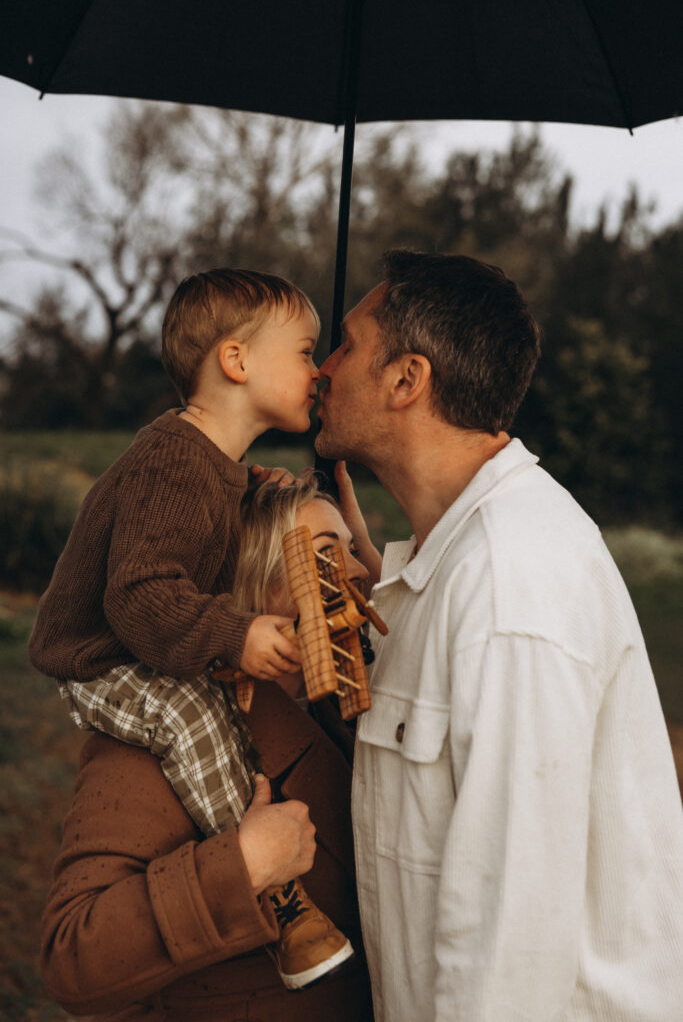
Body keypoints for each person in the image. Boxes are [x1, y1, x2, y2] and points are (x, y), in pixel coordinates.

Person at [317, 249, 683, 1021]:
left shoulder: (513, 585)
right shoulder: (451, 565)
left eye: (345, 344)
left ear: (405, 379)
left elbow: (512, 941)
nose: (322, 368)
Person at [29, 268, 350, 989]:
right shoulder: (173, 462)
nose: (318, 370)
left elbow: (198, 532)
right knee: (195, 720)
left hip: (138, 646)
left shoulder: (209, 463)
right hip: (101, 657)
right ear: (235, 362)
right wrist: (237, 636)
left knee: (215, 719)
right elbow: (140, 596)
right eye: (304, 352)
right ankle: (277, 894)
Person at [40, 474, 375, 1021]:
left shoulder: (337, 707)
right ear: (254, 591)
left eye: (354, 549)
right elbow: (73, 958)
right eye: (328, 555)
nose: (358, 569)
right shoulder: (159, 742)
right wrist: (242, 866)